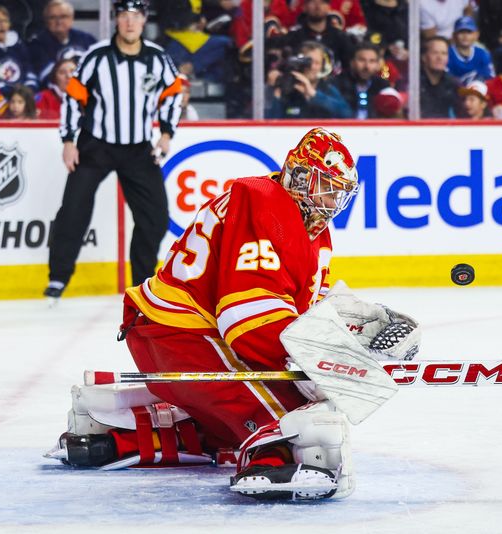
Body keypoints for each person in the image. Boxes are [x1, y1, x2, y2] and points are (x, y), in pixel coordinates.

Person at [47, 128, 412, 501]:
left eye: (339, 191)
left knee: (269, 411)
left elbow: (299, 314)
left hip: (175, 336)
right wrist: (327, 362)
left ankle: (123, 434)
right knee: (303, 414)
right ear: (299, 176)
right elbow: (246, 320)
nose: (332, 200)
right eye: (325, 186)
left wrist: (351, 334)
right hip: (181, 334)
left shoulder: (308, 230)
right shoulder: (263, 203)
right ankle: (274, 459)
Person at [45, 0, 183, 300]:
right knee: (73, 210)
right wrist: (68, 140)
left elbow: (174, 93)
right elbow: (73, 97)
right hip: (96, 146)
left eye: (135, 16)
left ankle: (142, 284)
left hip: (138, 148)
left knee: (155, 217)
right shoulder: (97, 56)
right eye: (123, 16)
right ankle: (58, 277)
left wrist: (167, 133)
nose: (129, 22)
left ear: (144, 20)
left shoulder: (158, 58)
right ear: (116, 20)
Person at [265, 40, 352, 118]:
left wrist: (314, 94)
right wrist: (273, 93)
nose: (312, 67)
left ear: (322, 66)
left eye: (317, 63)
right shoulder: (286, 88)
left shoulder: (327, 89)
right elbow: (268, 123)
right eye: (308, 62)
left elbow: (347, 114)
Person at [28, 0, 96, 87]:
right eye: (53, 17)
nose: (59, 21)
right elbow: (47, 79)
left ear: (72, 18)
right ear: (46, 21)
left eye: (63, 16)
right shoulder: (37, 45)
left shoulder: (87, 39)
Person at [335, 41, 391, 119]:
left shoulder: (382, 85)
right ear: (352, 62)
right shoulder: (336, 83)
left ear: (378, 64)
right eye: (361, 60)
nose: (366, 66)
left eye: (372, 61)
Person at [420, 35, 460, 118]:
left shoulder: (453, 84)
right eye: (435, 53)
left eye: (444, 53)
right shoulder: (413, 82)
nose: (440, 58)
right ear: (424, 57)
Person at [448, 15, 495, 85]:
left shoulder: (482, 54)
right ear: (454, 35)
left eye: (469, 32)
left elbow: (490, 79)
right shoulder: (447, 54)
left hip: (479, 91)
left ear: (476, 35)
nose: (465, 36)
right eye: (461, 32)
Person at [35, 57, 75, 121]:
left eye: (73, 71)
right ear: (54, 77)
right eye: (62, 72)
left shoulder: (89, 97)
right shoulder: (43, 97)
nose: (69, 76)